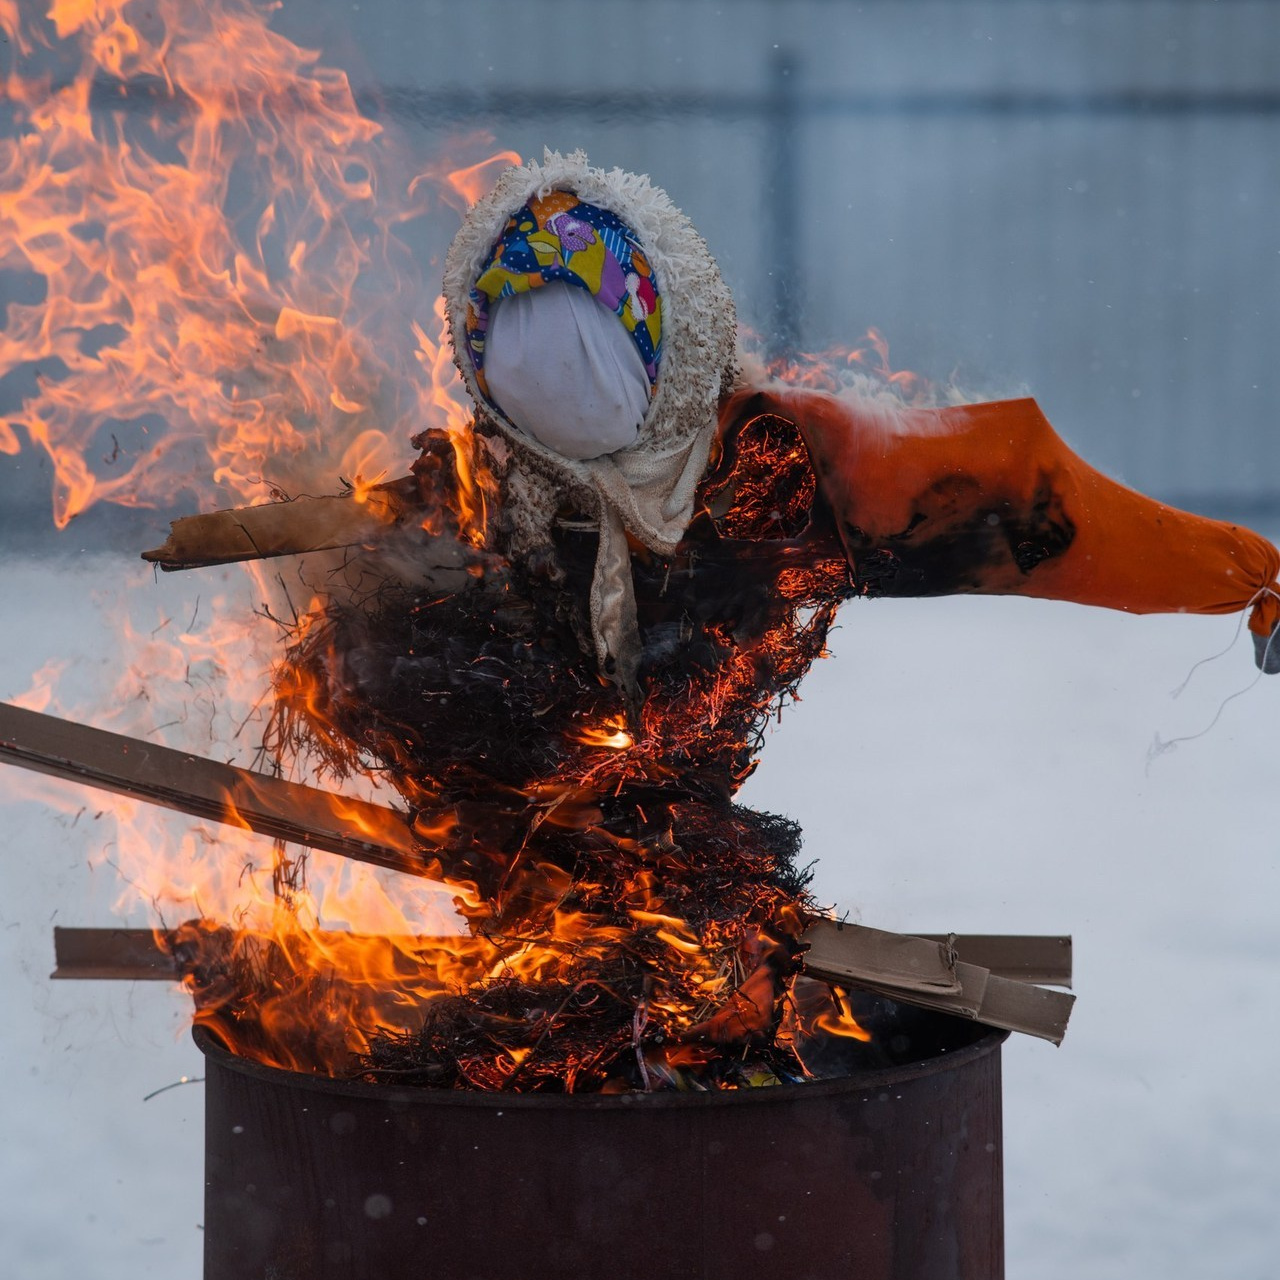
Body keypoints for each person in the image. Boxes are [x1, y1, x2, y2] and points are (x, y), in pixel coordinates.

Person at [442, 149, 1280, 700]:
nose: (570, 392)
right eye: (533, 378)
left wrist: (1253, 578)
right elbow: (1043, 512)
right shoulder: (480, 502)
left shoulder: (789, 466)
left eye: (594, 368)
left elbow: (1037, 508)